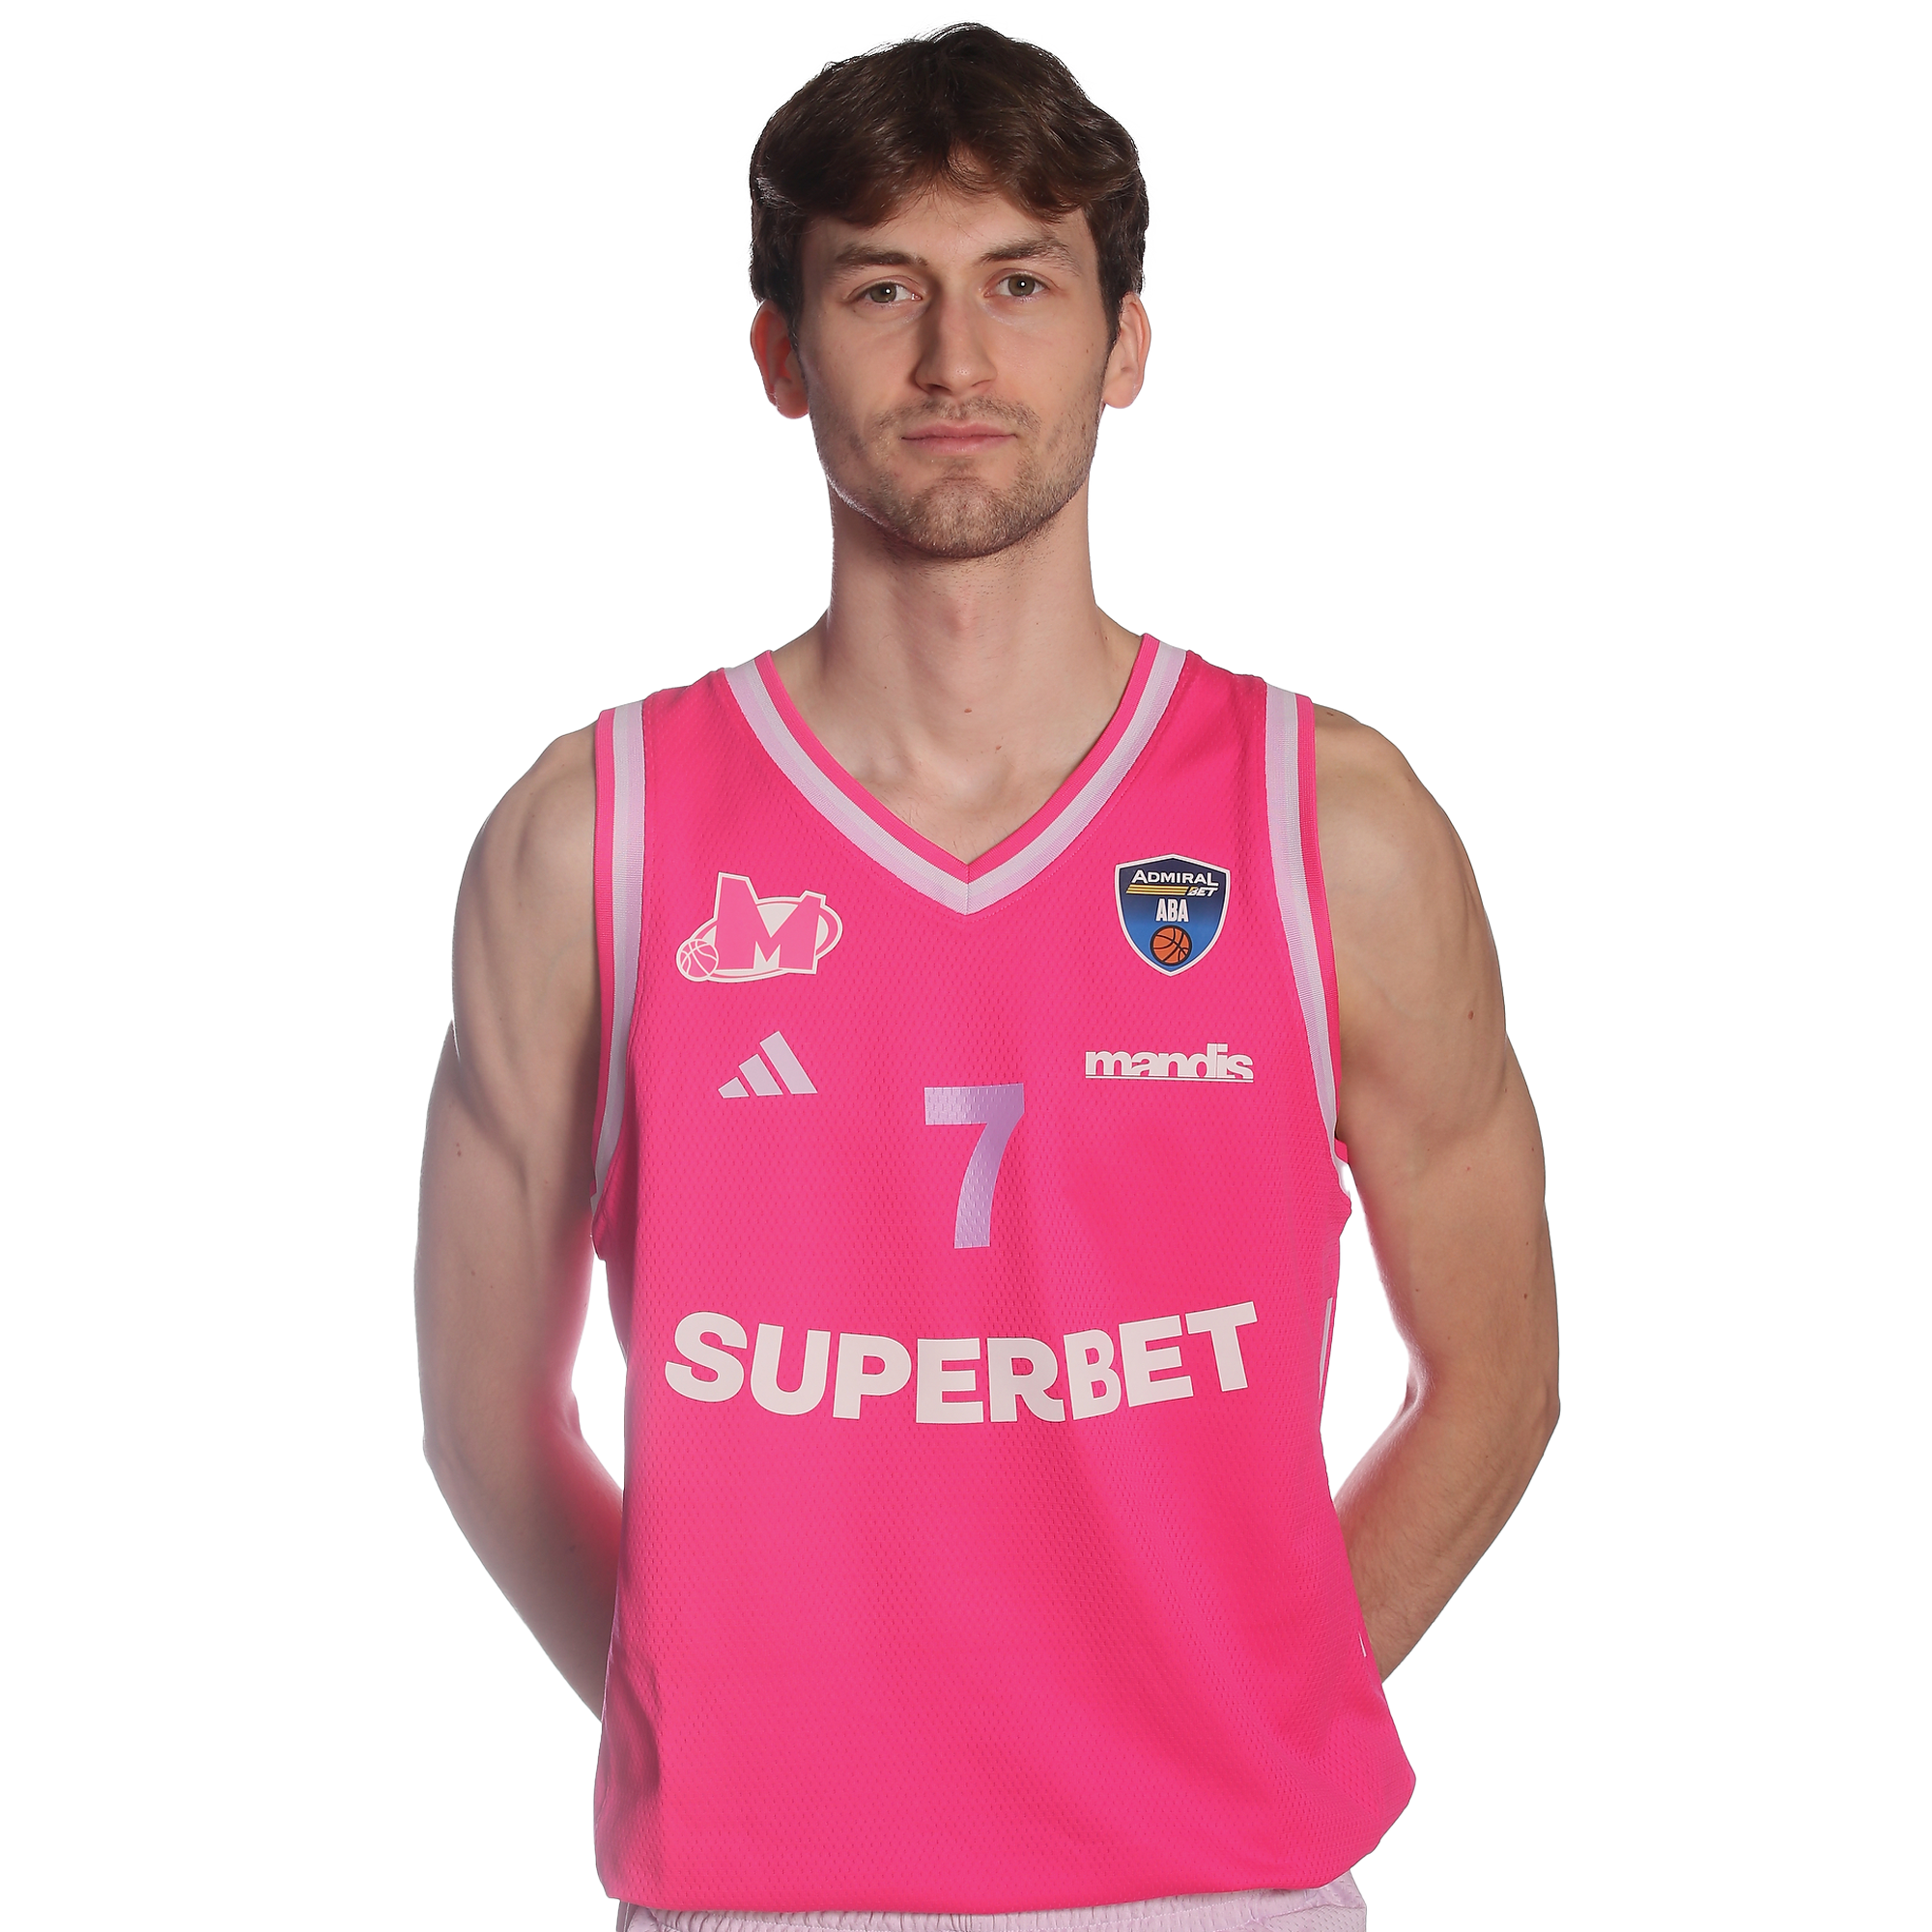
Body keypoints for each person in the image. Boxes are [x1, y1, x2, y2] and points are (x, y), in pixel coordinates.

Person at [416, 21, 1557, 1930]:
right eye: (883, 289)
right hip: (758, 1895)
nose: (956, 359)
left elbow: (1498, 1375)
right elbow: (484, 1415)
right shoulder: (587, 842)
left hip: (1216, 1887)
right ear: (782, 353)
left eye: (1021, 283)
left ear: (1124, 342)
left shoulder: (1327, 826)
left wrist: (1232, 1710)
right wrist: (735, 1736)